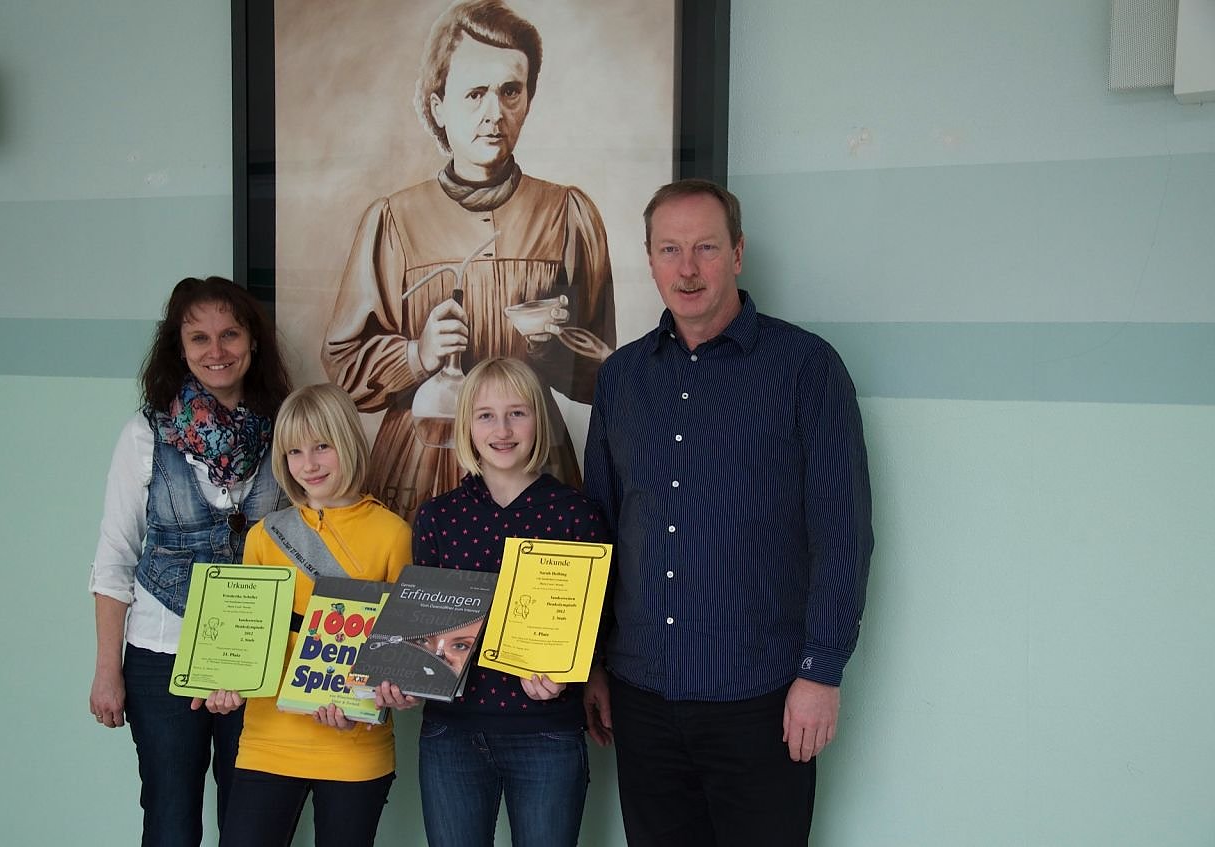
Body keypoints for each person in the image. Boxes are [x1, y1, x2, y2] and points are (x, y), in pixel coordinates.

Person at [582, 179, 875, 846]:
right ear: (650, 259)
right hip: (641, 695)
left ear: (738, 253)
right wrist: (591, 659)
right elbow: (600, 525)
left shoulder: (804, 368)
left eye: (706, 248)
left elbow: (842, 533)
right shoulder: (622, 377)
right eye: (670, 249)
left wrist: (821, 671)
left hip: (761, 699)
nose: (687, 269)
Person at [322, 0, 616, 521]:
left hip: (532, 461)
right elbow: (344, 362)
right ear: (438, 106)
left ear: (529, 99)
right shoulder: (393, 219)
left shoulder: (567, 213)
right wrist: (417, 354)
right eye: (475, 93)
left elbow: (603, 377)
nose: (494, 113)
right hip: (423, 458)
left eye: (510, 91)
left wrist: (551, 347)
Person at [88, 276, 292, 846]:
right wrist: (107, 670)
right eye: (199, 337)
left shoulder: (286, 432)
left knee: (251, 826)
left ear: (253, 342)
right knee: (171, 823)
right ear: (180, 348)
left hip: (255, 659)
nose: (216, 350)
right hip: (161, 656)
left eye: (230, 334)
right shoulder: (145, 435)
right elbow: (114, 557)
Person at [375, 357, 611, 847]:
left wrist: (567, 674)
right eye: (485, 415)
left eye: (516, 413)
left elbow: (595, 626)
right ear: (466, 425)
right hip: (451, 736)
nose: (502, 430)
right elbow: (426, 637)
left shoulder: (576, 515)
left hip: (546, 733)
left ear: (539, 420)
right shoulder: (438, 517)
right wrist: (408, 683)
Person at [197, 382, 412, 847]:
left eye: (322, 447)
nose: (308, 464)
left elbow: (400, 655)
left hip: (355, 749)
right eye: (294, 451)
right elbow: (243, 639)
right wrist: (224, 684)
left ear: (348, 443)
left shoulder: (393, 534)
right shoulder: (264, 536)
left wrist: (371, 703)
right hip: (267, 741)